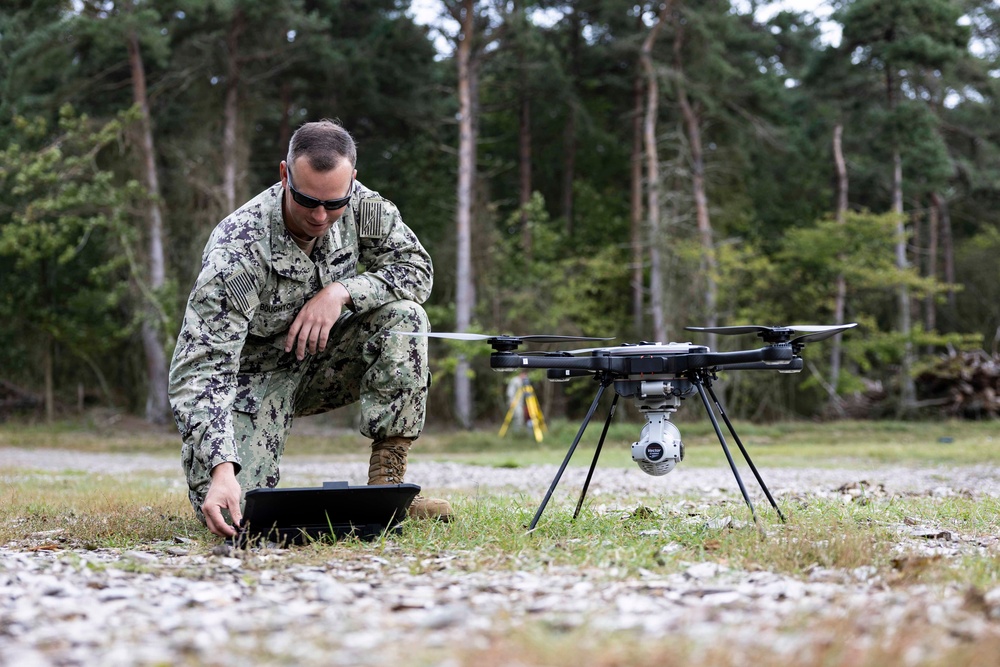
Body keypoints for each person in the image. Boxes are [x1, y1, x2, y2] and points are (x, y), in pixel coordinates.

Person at [168, 119, 451, 538]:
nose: (321, 216)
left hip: (323, 364)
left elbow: (417, 270)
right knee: (237, 516)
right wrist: (220, 467)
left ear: (353, 180)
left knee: (405, 318)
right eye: (306, 200)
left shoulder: (363, 206)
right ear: (284, 175)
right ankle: (228, 479)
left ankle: (388, 493)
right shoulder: (239, 250)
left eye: (334, 203)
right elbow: (199, 371)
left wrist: (342, 291)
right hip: (252, 383)